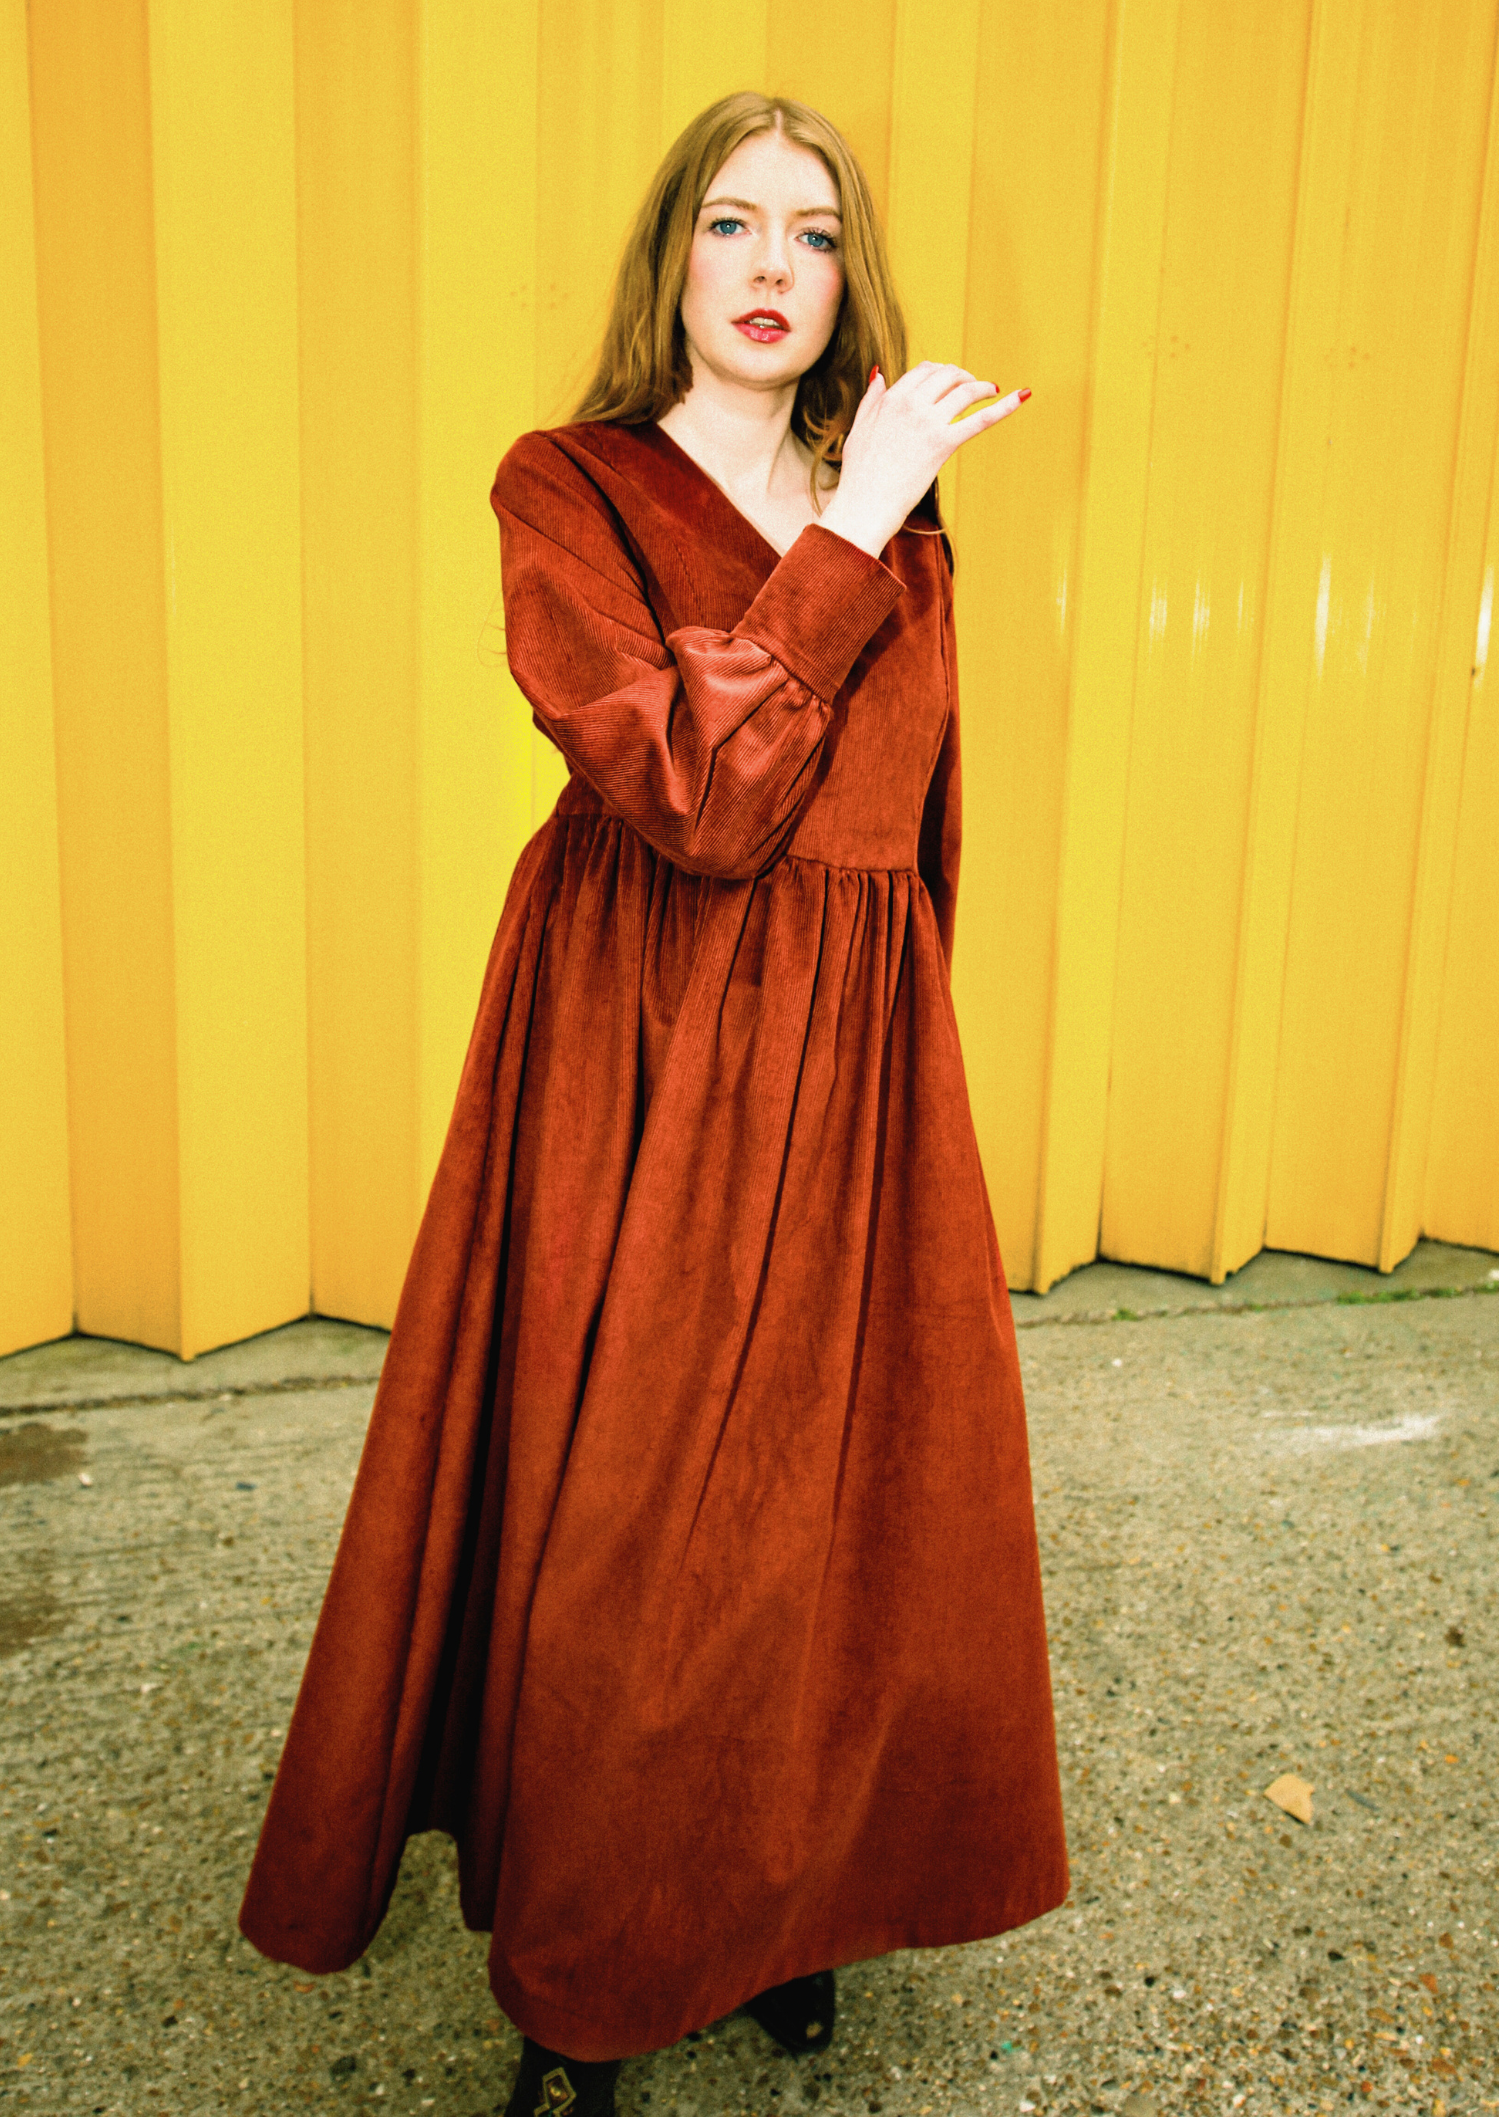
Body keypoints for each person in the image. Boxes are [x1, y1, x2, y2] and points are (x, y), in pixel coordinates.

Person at [239, 89, 1067, 2117]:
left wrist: (892, 1091)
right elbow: (694, 797)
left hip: (854, 1063)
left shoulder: (908, 508)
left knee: (829, 1528)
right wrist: (851, 522)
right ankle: (586, 1966)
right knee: (624, 1526)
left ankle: (780, 1907)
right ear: (671, 261)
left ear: (847, 273)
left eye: (812, 230)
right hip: (640, 1048)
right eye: (730, 224)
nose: (773, 266)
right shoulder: (573, 490)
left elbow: (909, 827)